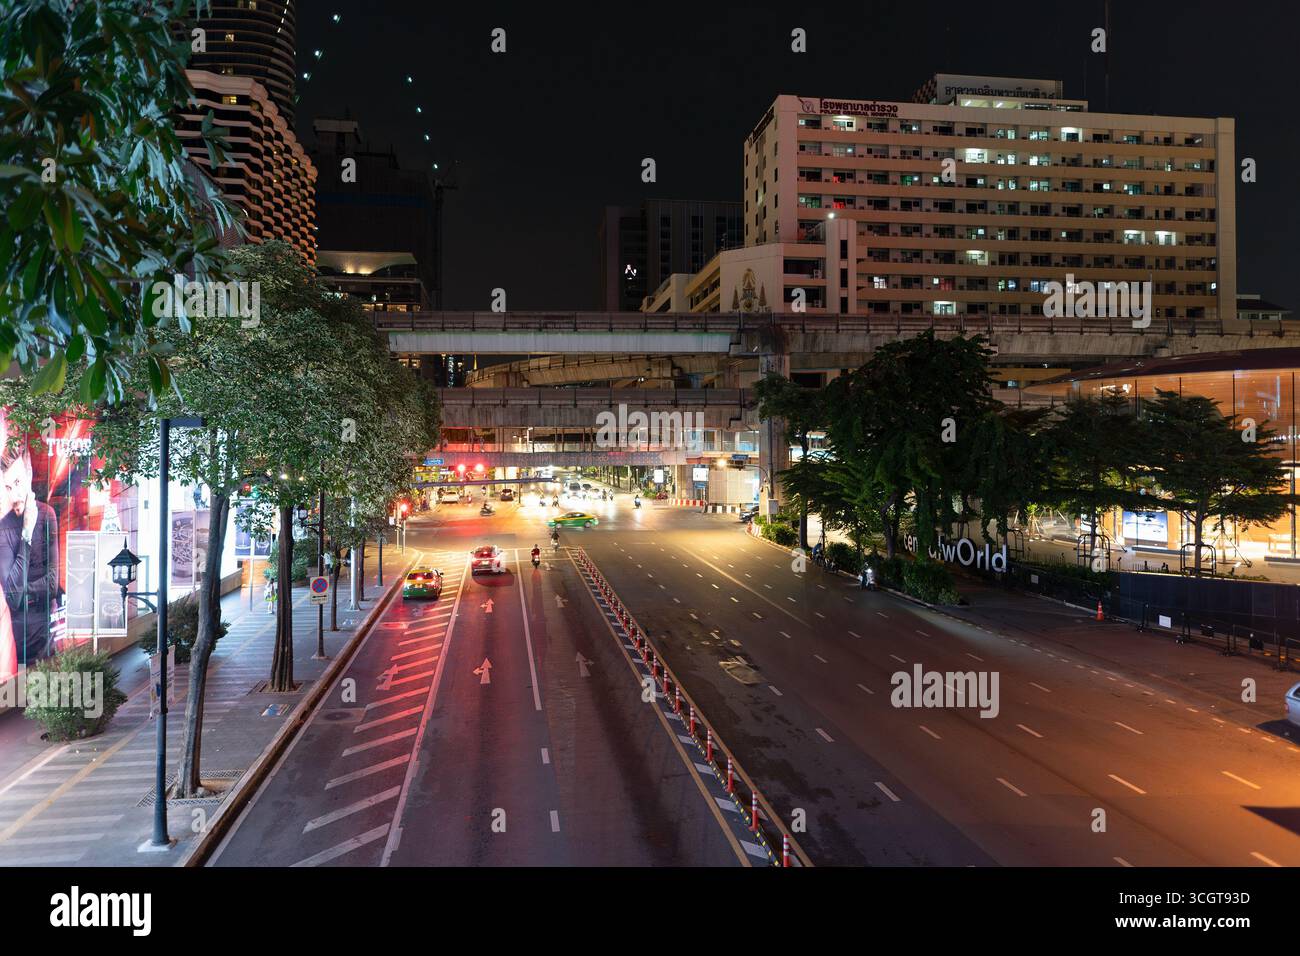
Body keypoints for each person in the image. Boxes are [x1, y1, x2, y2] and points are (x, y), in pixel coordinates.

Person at [0, 444, 59, 666]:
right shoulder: (4, 527)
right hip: (19, 647)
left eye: (17, 483)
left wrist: (24, 591)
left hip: (48, 638)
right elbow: (13, 598)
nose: (14, 495)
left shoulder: (47, 515)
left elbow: (52, 584)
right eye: (8, 487)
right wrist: (26, 532)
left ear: (29, 474)